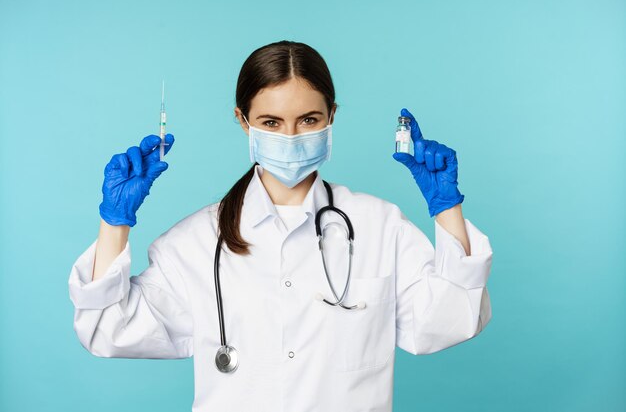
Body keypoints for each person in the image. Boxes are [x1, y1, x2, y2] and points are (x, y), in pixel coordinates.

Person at [68, 40, 493, 412]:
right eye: (271, 123)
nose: (290, 136)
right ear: (243, 121)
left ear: (331, 117)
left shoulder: (380, 226)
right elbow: (109, 330)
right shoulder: (197, 241)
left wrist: (446, 208)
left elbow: (449, 321)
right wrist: (115, 222)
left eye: (308, 120)